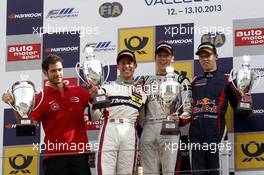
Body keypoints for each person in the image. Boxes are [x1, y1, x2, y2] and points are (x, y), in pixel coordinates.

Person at [2, 54, 94, 175]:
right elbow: (26, 121)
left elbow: (97, 105)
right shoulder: (40, 98)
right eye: (53, 71)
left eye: (60, 70)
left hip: (79, 154)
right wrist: (13, 104)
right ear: (45, 73)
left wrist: (96, 93)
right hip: (55, 156)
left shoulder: (78, 91)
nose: (58, 74)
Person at [190, 42, 252, 175]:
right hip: (195, 134)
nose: (205, 59)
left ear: (216, 56)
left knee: (217, 171)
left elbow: (240, 109)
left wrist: (246, 102)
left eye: (208, 55)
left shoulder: (226, 81)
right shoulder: (194, 81)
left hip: (216, 133)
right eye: (201, 56)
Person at [140, 42, 192, 175]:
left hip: (170, 128)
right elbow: (137, 109)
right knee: (149, 173)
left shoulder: (181, 80)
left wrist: (178, 120)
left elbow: (188, 111)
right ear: (155, 58)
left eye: (166, 55)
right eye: (160, 55)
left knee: (170, 171)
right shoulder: (145, 80)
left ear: (172, 58)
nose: (163, 59)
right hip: (149, 128)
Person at [94, 50, 147, 175]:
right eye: (122, 63)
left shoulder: (142, 94)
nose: (126, 66)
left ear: (135, 65)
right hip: (110, 129)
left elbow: (144, 121)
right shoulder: (106, 89)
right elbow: (95, 117)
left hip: (130, 132)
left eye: (129, 63)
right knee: (105, 171)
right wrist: (93, 98)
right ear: (117, 66)